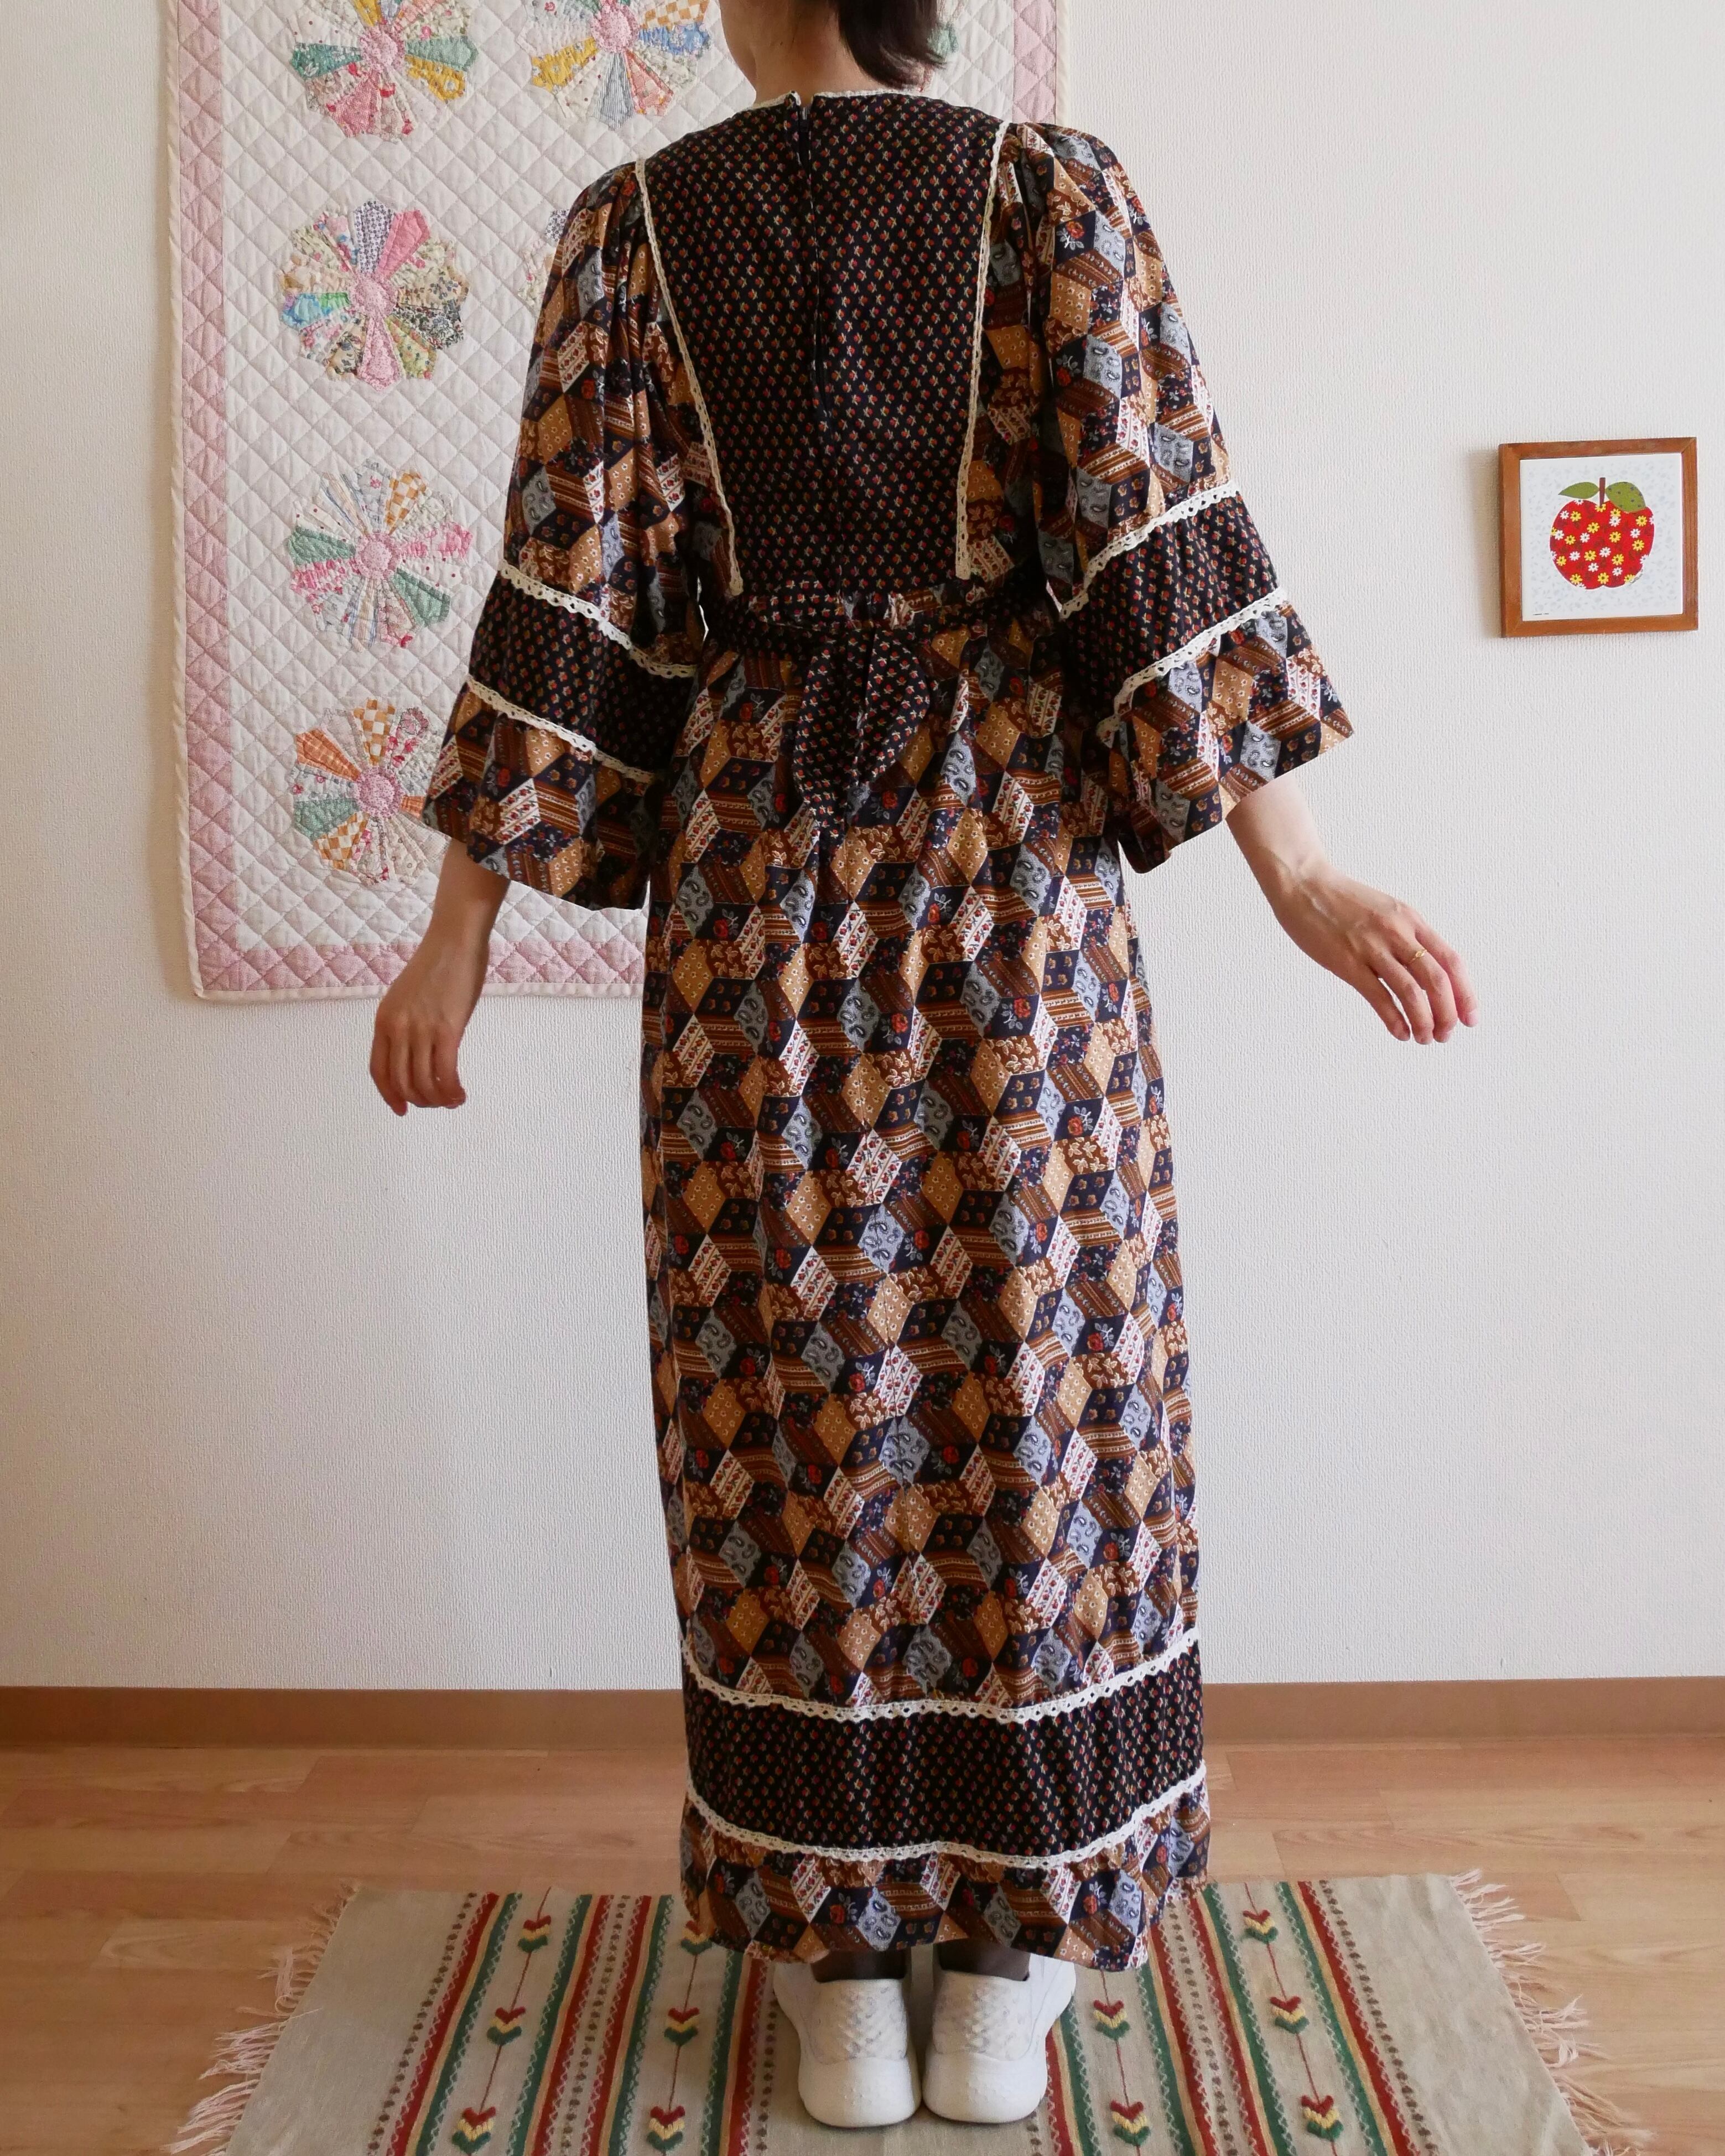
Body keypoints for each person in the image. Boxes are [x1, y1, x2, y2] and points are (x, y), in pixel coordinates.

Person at [371, 0, 1477, 2129]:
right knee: (1042, 1373)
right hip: (1014, 878)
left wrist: (458, 934)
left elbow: (574, 596)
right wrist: (1304, 872)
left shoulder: (631, 233)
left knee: (789, 1384)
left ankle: (841, 1976)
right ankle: (1012, 1962)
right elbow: (1152, 544)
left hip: (753, 878)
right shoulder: (1050, 193)